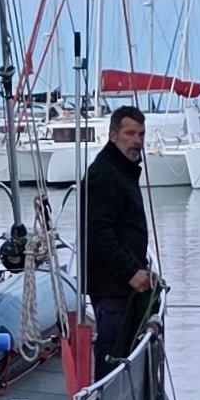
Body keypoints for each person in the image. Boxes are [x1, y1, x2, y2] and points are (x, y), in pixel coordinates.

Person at [81, 104, 156, 364]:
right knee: (112, 352)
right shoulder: (105, 174)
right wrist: (130, 272)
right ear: (113, 135)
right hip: (113, 286)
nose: (137, 140)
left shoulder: (122, 170)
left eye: (141, 134)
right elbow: (98, 232)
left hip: (124, 283)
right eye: (130, 133)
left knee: (123, 348)